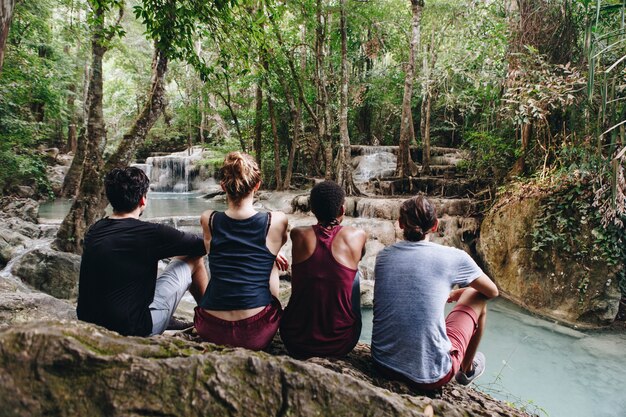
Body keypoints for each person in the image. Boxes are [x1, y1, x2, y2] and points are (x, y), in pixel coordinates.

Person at [371, 195, 498, 390]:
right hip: (430, 375)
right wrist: (461, 292)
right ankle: (466, 370)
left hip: (382, 363)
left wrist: (455, 292)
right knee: (479, 296)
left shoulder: (383, 256)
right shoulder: (453, 256)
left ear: (400, 224)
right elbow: (492, 291)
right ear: (436, 225)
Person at [77, 166, 209, 337]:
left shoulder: (95, 229)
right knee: (194, 259)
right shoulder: (151, 234)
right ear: (143, 200)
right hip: (135, 330)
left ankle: (164, 316)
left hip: (91, 326)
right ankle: (210, 321)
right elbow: (203, 246)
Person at [194, 152, 288, 351]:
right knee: (271, 261)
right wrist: (272, 254)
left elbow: (215, 250)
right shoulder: (276, 220)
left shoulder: (208, 219)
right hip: (255, 331)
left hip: (210, 327)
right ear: (257, 185)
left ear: (222, 187)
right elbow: (274, 245)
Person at [280, 180, 367, 358]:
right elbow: (360, 256)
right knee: (354, 274)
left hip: (294, 339)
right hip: (340, 343)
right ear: (342, 210)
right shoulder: (358, 235)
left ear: (312, 210)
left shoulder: (298, 234)